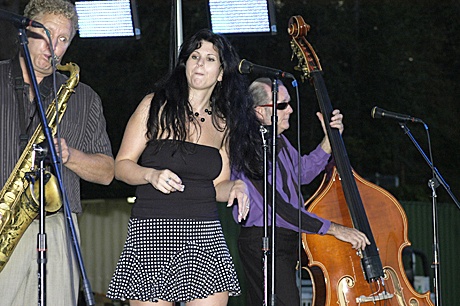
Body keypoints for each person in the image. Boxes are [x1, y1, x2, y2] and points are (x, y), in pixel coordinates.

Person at [106, 29, 264, 306]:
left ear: (222, 73)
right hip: (152, 233)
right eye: (195, 55)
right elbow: (121, 166)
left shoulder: (224, 123)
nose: (200, 63)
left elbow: (218, 187)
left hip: (204, 235)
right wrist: (150, 174)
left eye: (210, 58)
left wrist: (237, 187)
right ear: (185, 64)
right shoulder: (155, 106)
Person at [0, 0, 114, 305]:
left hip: (57, 226)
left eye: (63, 39)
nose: (55, 47)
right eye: (47, 33)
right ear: (25, 32)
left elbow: (106, 173)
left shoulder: (84, 97)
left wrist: (68, 155)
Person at [231, 77, 371, 306]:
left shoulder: (281, 141)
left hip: (284, 241)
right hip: (263, 240)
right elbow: (280, 209)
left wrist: (329, 139)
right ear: (259, 112)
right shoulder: (249, 148)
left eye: (288, 103)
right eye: (281, 105)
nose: (290, 110)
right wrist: (334, 229)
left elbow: (302, 173)